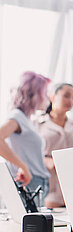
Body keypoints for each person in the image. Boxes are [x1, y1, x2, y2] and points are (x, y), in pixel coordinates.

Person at [0, 71, 51, 207]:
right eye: (44, 93)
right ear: (34, 94)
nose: (47, 98)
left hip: (36, 183)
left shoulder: (27, 120)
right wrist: (23, 166)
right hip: (29, 183)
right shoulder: (17, 116)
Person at [35, 83, 73, 208]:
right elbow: (29, 154)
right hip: (49, 185)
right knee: (52, 223)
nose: (71, 100)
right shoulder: (38, 123)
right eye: (66, 96)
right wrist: (48, 162)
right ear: (53, 97)